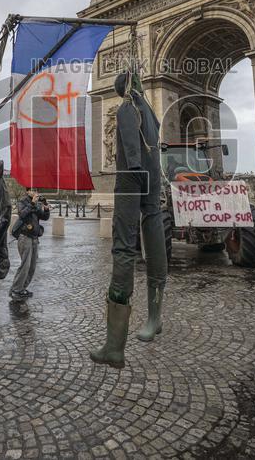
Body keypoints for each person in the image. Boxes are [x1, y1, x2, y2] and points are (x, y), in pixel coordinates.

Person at [90, 71, 167, 369]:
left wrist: (131, 168)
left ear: (122, 89)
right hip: (153, 178)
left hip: (131, 179)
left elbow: (132, 150)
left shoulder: (125, 108)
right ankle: (154, 318)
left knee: (123, 246)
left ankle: (114, 346)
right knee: (154, 231)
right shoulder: (150, 111)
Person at [10, 188, 49, 299]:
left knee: (32, 266)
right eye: (32, 190)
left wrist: (46, 209)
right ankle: (16, 290)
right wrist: (32, 203)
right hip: (25, 236)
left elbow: (44, 217)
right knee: (25, 265)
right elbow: (22, 214)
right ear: (27, 191)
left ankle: (22, 288)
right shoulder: (23, 201)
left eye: (36, 190)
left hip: (34, 238)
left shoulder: (37, 203)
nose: (35, 192)